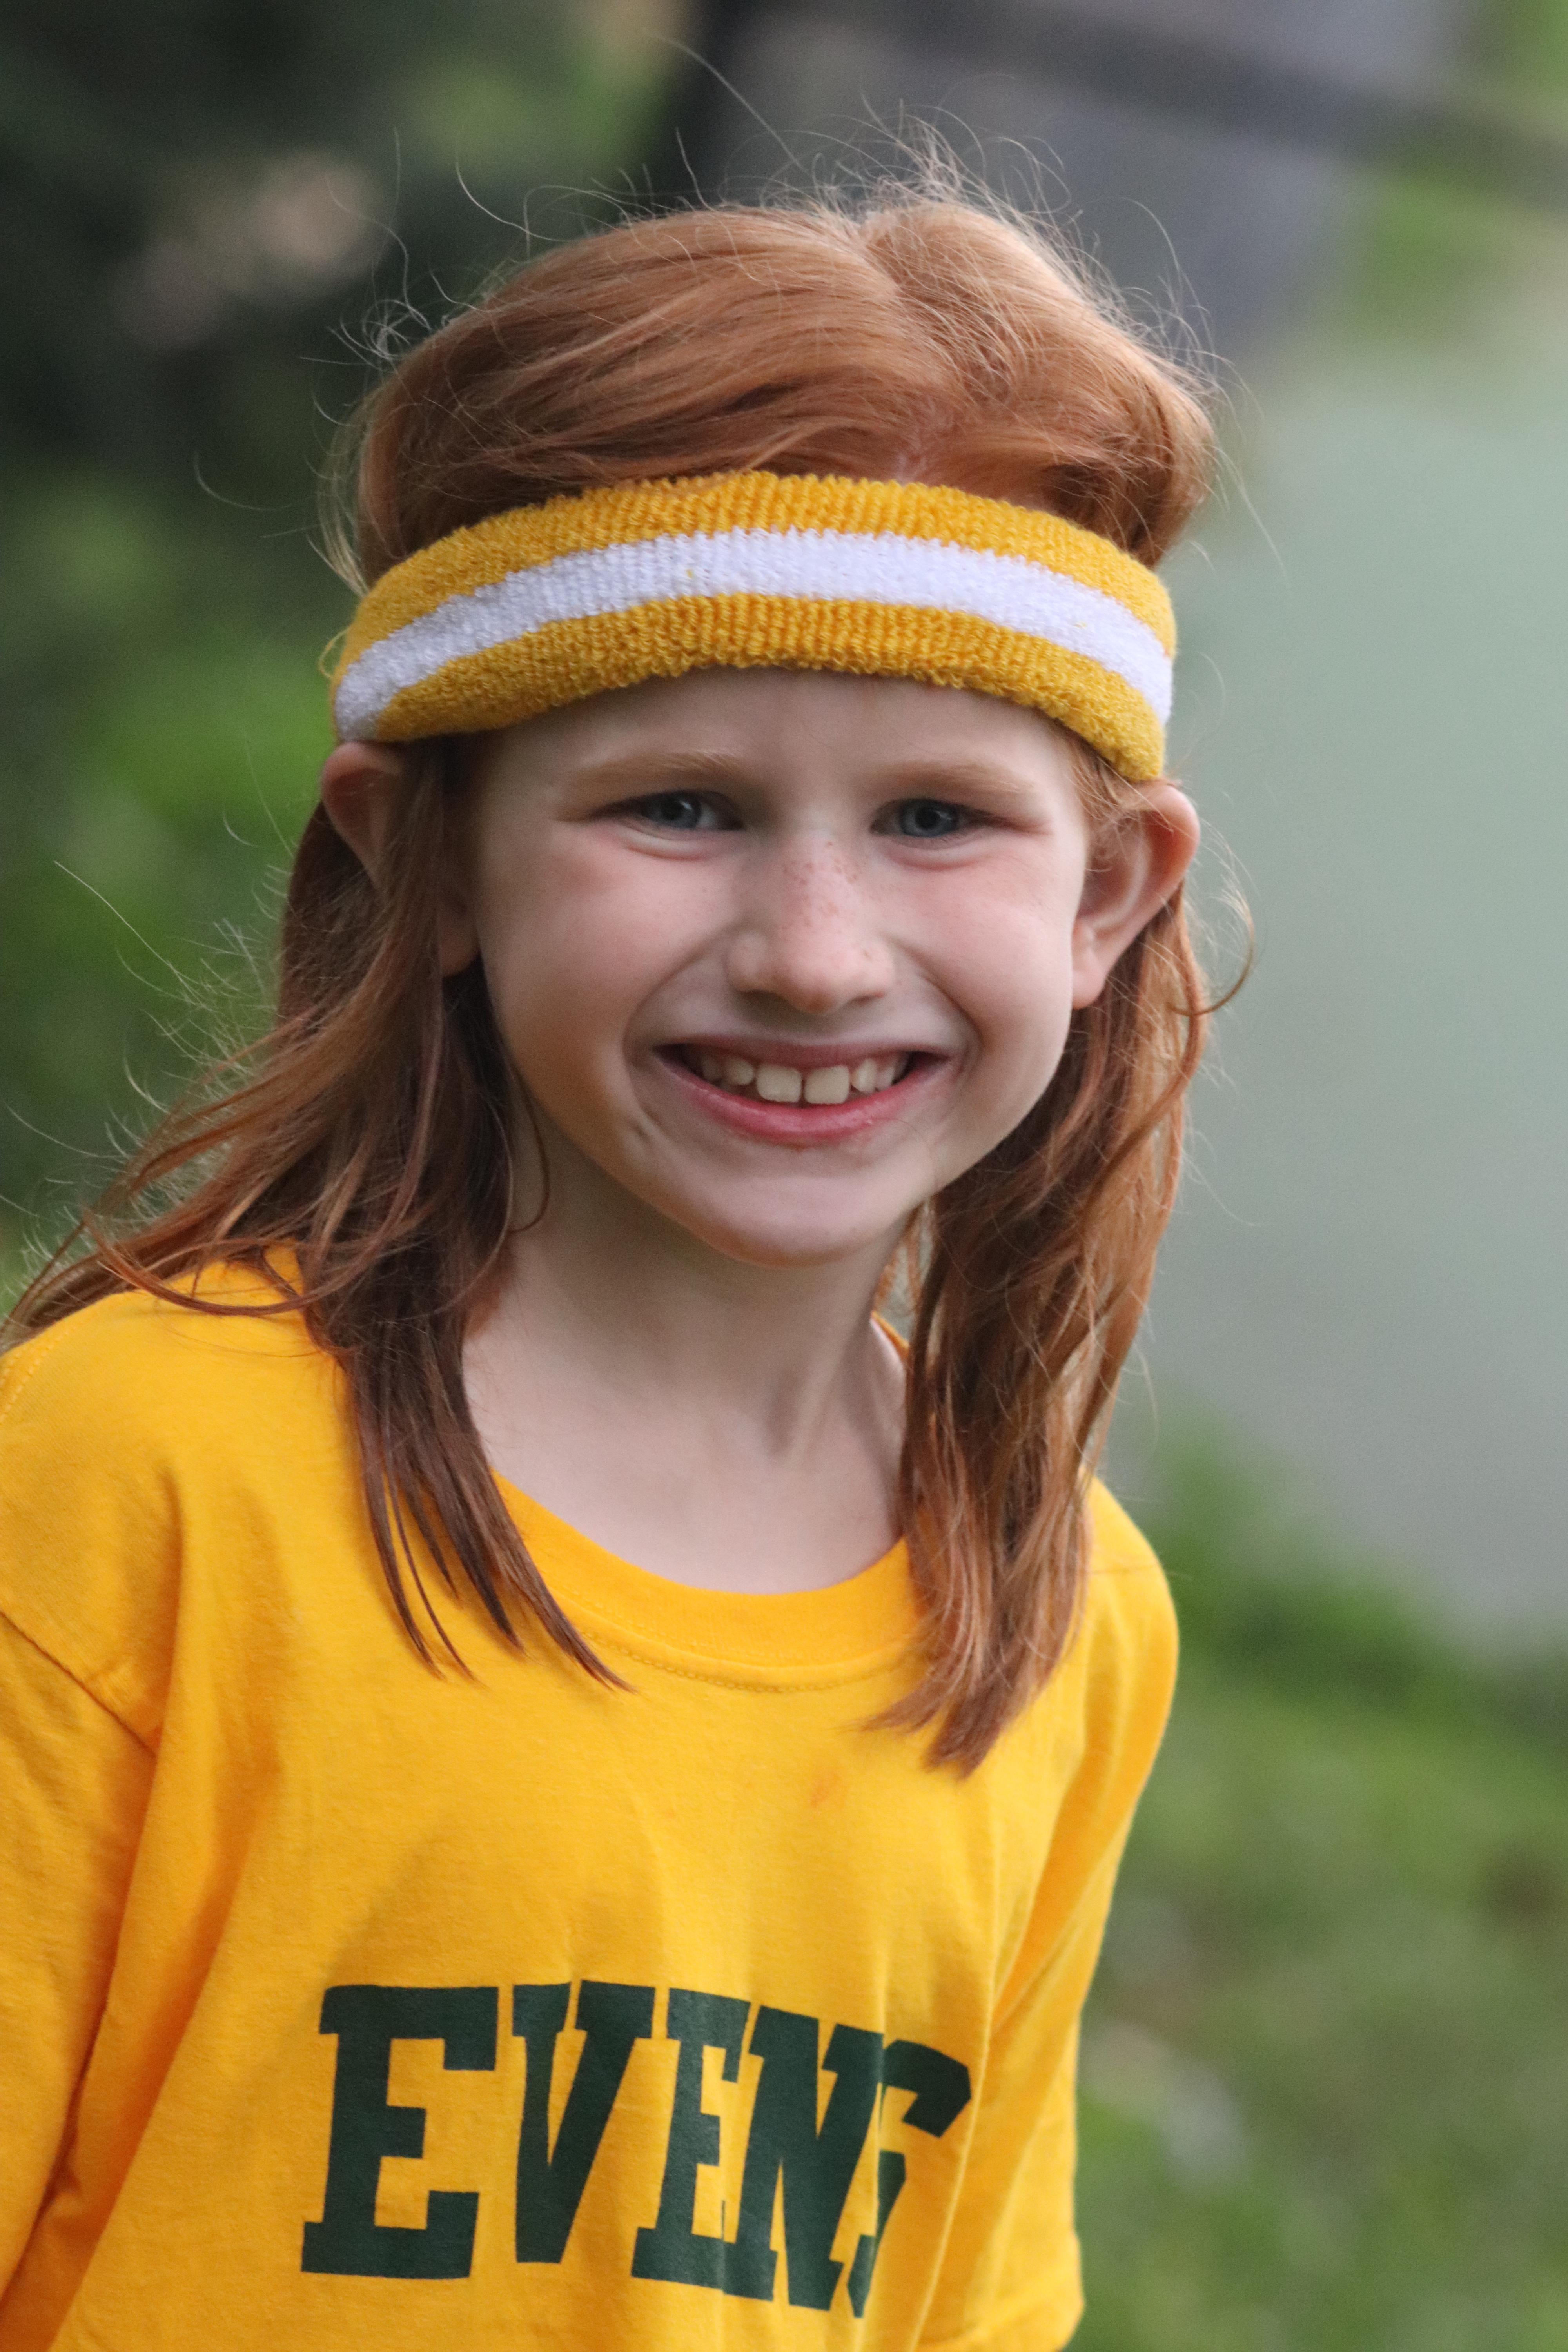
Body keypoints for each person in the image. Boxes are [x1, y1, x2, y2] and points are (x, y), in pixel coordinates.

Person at [0, 183, 1216, 2350]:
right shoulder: (129, 1475)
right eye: (680, 808)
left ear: (1109, 897)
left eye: (936, 819)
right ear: (428, 860)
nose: (814, 957)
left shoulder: (1059, 1614)